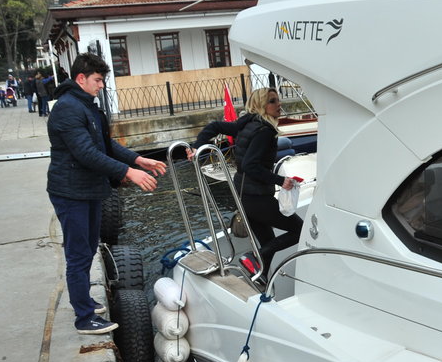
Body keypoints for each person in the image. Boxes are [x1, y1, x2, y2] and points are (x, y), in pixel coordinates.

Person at [48, 53, 168, 334]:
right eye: (98, 80)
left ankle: (84, 300)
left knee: (89, 248)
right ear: (81, 78)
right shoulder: (67, 108)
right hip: (71, 192)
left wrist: (138, 159)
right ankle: (84, 318)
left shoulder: (84, 105)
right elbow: (86, 153)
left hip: (88, 189)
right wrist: (128, 172)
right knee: (78, 254)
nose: (101, 85)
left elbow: (105, 144)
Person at [189, 87, 302, 276]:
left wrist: (197, 146)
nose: (278, 104)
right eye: (272, 101)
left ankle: (260, 280)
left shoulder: (246, 123)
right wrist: (280, 180)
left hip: (243, 196)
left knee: (268, 243)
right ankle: (255, 257)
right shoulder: (265, 131)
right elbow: (251, 165)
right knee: (299, 230)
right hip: (257, 198)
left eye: (278, 100)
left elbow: (214, 127)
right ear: (261, 105)